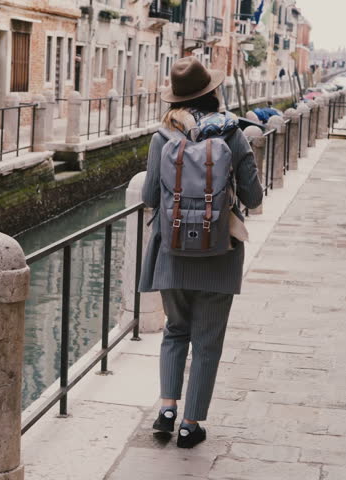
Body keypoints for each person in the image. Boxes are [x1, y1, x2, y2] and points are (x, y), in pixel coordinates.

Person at [140, 57, 263, 448]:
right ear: (213, 93)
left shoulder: (162, 138)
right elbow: (254, 197)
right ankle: (191, 425)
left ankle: (167, 411)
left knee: (174, 331)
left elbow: (147, 198)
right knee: (207, 339)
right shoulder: (233, 135)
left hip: (172, 251)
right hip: (219, 252)